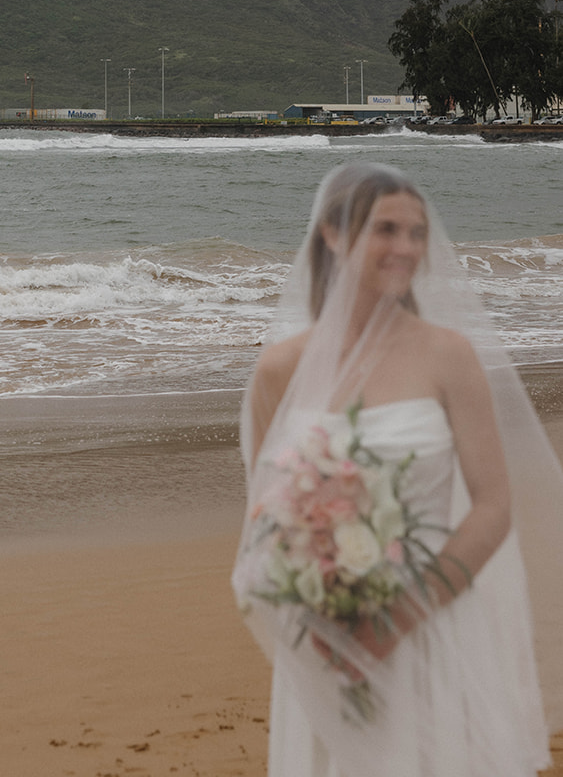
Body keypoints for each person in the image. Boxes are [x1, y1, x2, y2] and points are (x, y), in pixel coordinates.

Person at [232, 161, 563, 777]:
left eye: (417, 233)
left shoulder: (449, 356)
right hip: (327, 639)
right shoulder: (279, 370)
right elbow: (268, 513)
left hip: (432, 626)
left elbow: (493, 506)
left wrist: (396, 618)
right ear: (333, 233)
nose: (407, 247)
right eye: (387, 229)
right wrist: (321, 608)